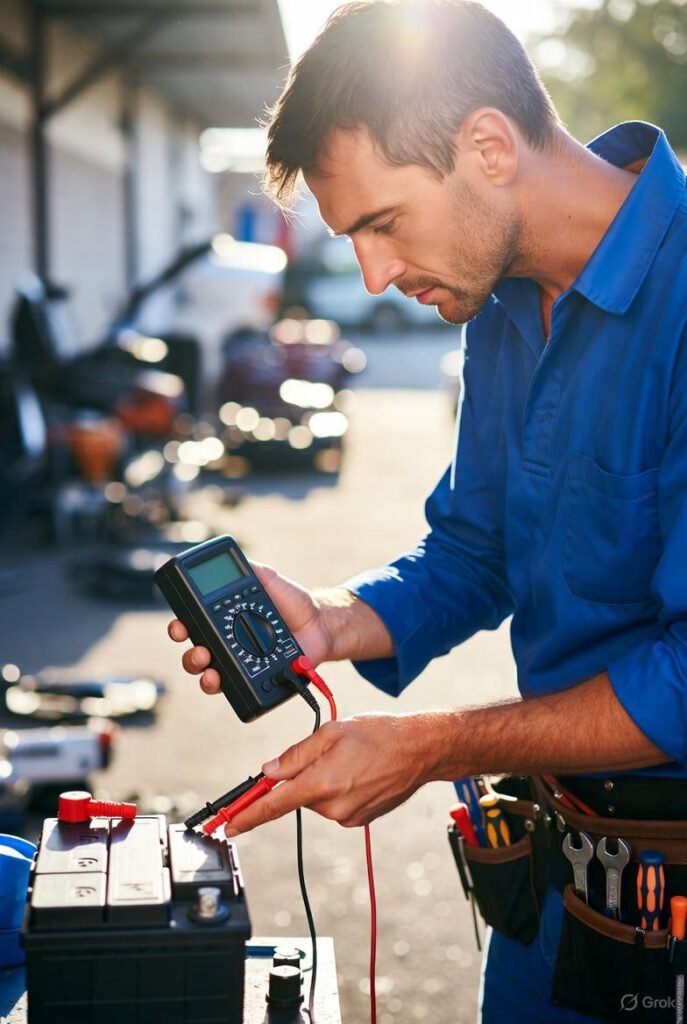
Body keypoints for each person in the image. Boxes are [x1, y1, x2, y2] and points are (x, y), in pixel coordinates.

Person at [168, 2, 687, 1020]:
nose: (373, 274)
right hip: (554, 887)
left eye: (382, 223)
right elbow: (479, 547)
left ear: (489, 145)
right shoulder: (499, 304)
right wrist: (334, 616)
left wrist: (435, 743)